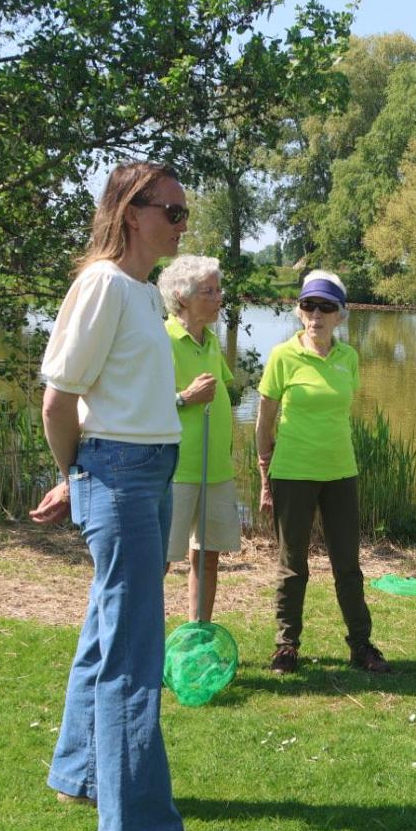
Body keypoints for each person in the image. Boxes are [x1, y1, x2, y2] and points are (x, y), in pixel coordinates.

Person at [27, 161, 204, 831]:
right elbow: (58, 398)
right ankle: (138, 829)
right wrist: (75, 472)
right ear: (133, 212)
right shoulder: (101, 284)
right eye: (173, 211)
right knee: (134, 651)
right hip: (122, 476)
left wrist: (84, 472)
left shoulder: (141, 291)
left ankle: (80, 774)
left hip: (146, 469)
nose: (181, 224)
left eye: (185, 213)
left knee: (108, 632)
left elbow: (122, 397)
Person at [256, 270, 391, 675]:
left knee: (348, 564)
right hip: (292, 473)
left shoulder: (348, 358)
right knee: (292, 565)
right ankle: (286, 646)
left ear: (340, 316)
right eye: (308, 305)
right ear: (299, 312)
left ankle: (361, 646)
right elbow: (264, 424)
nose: (315, 314)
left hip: (340, 473)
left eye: (325, 307)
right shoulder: (282, 356)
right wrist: (265, 476)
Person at [160, 254, 240, 623]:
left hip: (216, 470)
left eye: (219, 289)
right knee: (159, 561)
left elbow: (222, 391)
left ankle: (199, 634)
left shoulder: (210, 341)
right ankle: (144, 642)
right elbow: (138, 403)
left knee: (207, 557)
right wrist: (184, 398)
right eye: (210, 291)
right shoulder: (161, 339)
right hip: (175, 471)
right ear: (182, 296)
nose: (218, 297)